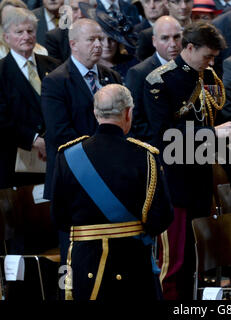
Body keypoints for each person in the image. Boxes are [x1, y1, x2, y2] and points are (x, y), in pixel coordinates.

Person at [50, 84, 173, 301]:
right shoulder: (145, 156)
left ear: (95, 113)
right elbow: (160, 218)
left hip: (85, 262)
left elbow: (59, 218)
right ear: (128, 112)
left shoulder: (67, 156)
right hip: (132, 262)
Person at [144, 21, 231, 299]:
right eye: (207, 56)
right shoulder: (160, 80)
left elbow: (214, 113)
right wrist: (211, 132)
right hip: (174, 182)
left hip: (202, 176)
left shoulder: (207, 76)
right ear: (190, 48)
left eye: (213, 58)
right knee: (175, 262)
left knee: (199, 261)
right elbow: (162, 135)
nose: (210, 62)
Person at [41, 18, 122, 203]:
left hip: (111, 176)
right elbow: (59, 133)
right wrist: (101, 153)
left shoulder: (112, 76)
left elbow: (123, 121)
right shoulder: (55, 82)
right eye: (91, 39)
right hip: (73, 177)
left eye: (100, 39)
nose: (98, 44)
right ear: (73, 44)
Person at [0, 7, 59, 189]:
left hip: (56, 157)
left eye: (30, 31)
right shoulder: (1, 72)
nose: (26, 36)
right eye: (19, 32)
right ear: (6, 37)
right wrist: (33, 139)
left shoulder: (54, 66)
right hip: (17, 163)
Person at [126, 15, 182, 142]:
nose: (172, 44)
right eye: (165, 38)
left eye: (176, 37)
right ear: (154, 41)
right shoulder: (139, 73)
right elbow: (135, 122)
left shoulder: (189, 68)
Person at [80, 2, 139, 82]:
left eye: (112, 39)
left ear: (118, 42)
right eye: (101, 39)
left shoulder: (133, 64)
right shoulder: (85, 67)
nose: (107, 45)